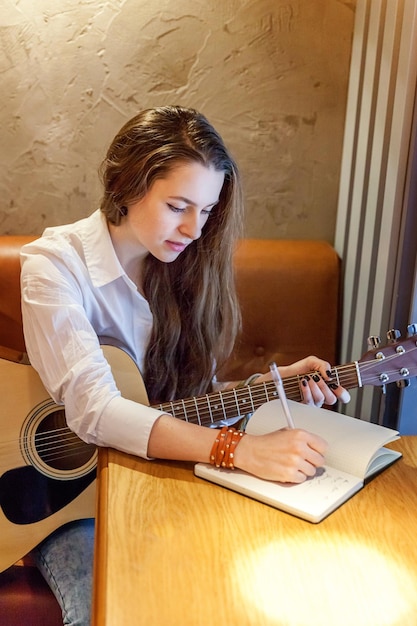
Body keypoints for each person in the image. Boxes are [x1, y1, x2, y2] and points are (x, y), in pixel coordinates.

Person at [20, 105, 350, 625]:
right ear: (127, 186)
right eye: (178, 206)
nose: (195, 229)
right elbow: (97, 413)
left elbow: (175, 400)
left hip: (154, 473)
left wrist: (267, 387)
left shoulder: (185, 267)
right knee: (112, 610)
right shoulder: (54, 268)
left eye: (208, 210)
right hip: (53, 500)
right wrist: (238, 449)